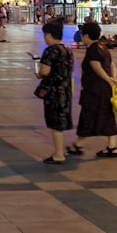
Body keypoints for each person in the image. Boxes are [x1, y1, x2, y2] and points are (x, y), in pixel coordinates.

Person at [68, 21, 117, 158]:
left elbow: (96, 67)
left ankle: (78, 145)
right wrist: (113, 78)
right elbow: (112, 65)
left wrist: (108, 79)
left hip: (94, 90)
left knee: (87, 116)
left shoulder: (93, 50)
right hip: (105, 89)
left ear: (86, 35)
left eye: (82, 35)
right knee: (108, 116)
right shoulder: (103, 47)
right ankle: (112, 147)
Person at [34, 19, 74, 164]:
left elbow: (45, 71)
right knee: (60, 122)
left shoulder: (50, 51)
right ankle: (60, 151)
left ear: (49, 35)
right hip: (66, 90)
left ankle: (58, 154)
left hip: (54, 92)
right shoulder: (67, 50)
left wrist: (38, 73)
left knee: (55, 124)